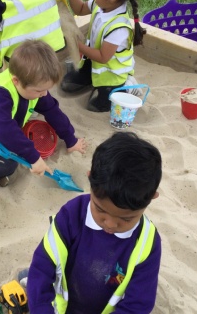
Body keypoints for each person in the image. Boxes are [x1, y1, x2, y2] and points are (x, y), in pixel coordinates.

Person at [26, 131, 162, 313]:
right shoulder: (72, 215)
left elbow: (138, 304)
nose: (110, 224)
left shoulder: (147, 244)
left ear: (151, 198)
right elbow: (42, 267)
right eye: (101, 210)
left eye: (126, 218)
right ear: (90, 179)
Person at [0, 39, 86, 186]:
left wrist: (71, 140)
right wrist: (34, 158)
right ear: (16, 81)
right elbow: (5, 131)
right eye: (39, 90)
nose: (44, 94)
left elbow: (52, 111)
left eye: (47, 89)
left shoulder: (31, 84)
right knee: (9, 162)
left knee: (14, 152)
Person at [60, 0, 146, 112]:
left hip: (111, 75)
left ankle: (127, 86)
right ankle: (90, 78)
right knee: (67, 85)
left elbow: (102, 57)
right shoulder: (100, 5)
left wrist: (77, 44)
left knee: (95, 106)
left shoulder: (118, 28)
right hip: (94, 64)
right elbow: (80, 9)